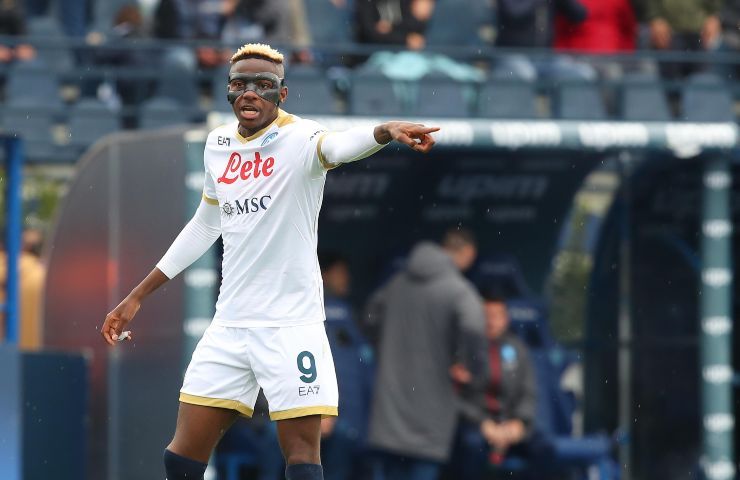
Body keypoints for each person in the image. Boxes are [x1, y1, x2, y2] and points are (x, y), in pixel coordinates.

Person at [100, 42, 439, 480]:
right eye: (240, 84)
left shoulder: (302, 138)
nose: (250, 93)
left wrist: (384, 131)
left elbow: (339, 147)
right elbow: (204, 225)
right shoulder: (218, 144)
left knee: (301, 459)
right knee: (180, 459)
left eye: (263, 84)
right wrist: (137, 295)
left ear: (282, 93)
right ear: (228, 90)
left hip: (290, 326)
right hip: (231, 324)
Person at [363, 228, 487, 480]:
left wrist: (383, 347)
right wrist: (469, 364)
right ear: (468, 253)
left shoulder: (396, 282)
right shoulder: (459, 289)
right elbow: (474, 327)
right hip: (430, 417)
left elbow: (369, 316)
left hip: (390, 414)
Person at [450, 290, 537, 480]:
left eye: (497, 316)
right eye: (486, 316)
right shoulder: (463, 349)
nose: (491, 321)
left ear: (505, 319)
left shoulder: (518, 349)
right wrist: (482, 422)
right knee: (471, 446)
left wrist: (519, 422)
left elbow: (528, 392)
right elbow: (455, 397)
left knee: (544, 448)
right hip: (476, 425)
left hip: (509, 423)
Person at [318, 252, 374, 480]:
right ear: (323, 275)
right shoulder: (316, 312)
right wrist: (323, 412)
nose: (346, 278)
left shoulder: (349, 313)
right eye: (339, 273)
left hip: (352, 421)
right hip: (329, 419)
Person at [646, 0, 723, 77]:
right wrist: (655, 17)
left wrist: (714, 15)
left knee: (703, 78)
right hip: (668, 33)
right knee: (669, 78)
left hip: (702, 34)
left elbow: (716, 8)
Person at [355, 0, 435, 51]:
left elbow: (415, 33)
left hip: (407, 54)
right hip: (374, 54)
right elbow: (370, 31)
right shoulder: (367, 2)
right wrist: (405, 39)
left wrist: (391, 28)